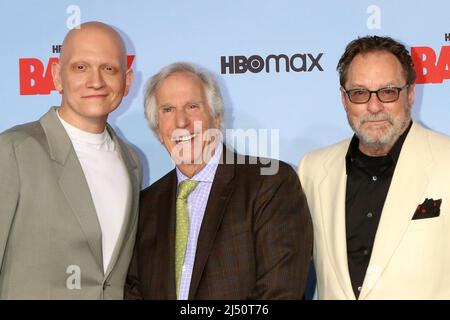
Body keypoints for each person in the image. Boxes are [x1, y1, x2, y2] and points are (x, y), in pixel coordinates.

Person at [125, 62, 312, 300]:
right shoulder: (146, 204)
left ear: (216, 119)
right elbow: (133, 290)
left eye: (192, 106)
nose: (181, 122)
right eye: (168, 110)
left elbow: (280, 292)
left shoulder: (270, 183)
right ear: (159, 132)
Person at [299, 35, 450, 299]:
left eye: (388, 91)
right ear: (344, 99)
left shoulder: (445, 159)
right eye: (359, 93)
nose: (374, 106)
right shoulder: (312, 169)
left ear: (410, 93)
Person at [0, 21, 142, 299]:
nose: (96, 81)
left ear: (127, 82)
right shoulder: (14, 150)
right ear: (56, 76)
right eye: (81, 67)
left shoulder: (132, 161)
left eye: (109, 69)